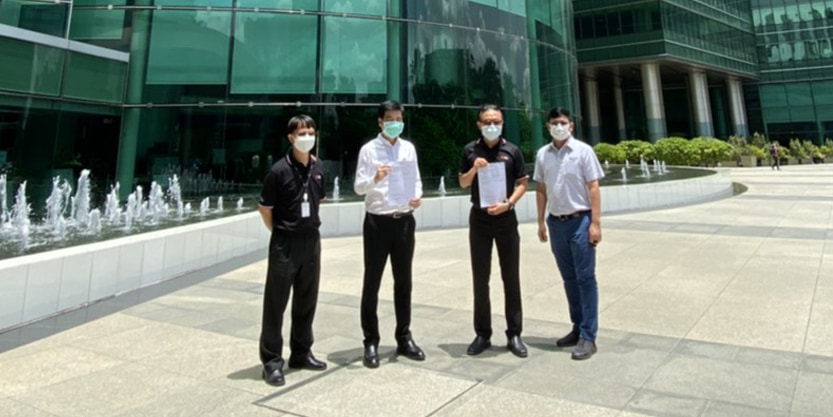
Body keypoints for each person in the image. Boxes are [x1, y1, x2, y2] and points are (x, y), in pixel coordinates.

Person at [354, 100, 425, 368]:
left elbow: (415, 180)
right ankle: (370, 339)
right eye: (390, 118)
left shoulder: (408, 148)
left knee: (403, 281)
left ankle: (403, 336)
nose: (395, 122)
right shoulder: (369, 151)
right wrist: (376, 178)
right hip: (377, 222)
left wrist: (416, 197)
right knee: (372, 280)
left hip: (404, 221)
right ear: (380, 122)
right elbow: (358, 188)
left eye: (399, 118)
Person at [257, 114, 328, 386]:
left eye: (311, 131)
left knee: (306, 300)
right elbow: (265, 209)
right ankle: (272, 361)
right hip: (285, 242)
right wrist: (280, 232)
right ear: (290, 138)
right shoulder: (278, 171)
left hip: (311, 240)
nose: (307, 136)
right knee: (276, 303)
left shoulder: (318, 166)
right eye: (301, 132)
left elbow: (318, 199)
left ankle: (301, 352)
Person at [458, 104, 529, 358]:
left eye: (496, 121)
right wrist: (474, 168)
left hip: (506, 218)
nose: (492, 125)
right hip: (479, 219)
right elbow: (463, 182)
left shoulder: (512, 151)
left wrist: (509, 203)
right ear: (479, 124)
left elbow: (522, 183)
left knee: (511, 277)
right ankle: (482, 333)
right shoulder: (470, 150)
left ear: (502, 123)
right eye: (487, 121)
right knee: (480, 278)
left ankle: (514, 333)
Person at [533, 107, 604, 361]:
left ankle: (588, 335)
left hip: (580, 221)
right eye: (554, 123)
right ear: (548, 127)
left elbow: (593, 187)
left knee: (585, 278)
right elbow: (540, 189)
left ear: (571, 126)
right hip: (556, 223)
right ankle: (577, 327)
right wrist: (540, 221)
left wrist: (595, 224)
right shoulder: (543, 154)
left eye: (563, 122)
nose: (559, 126)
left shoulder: (583, 151)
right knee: (569, 278)